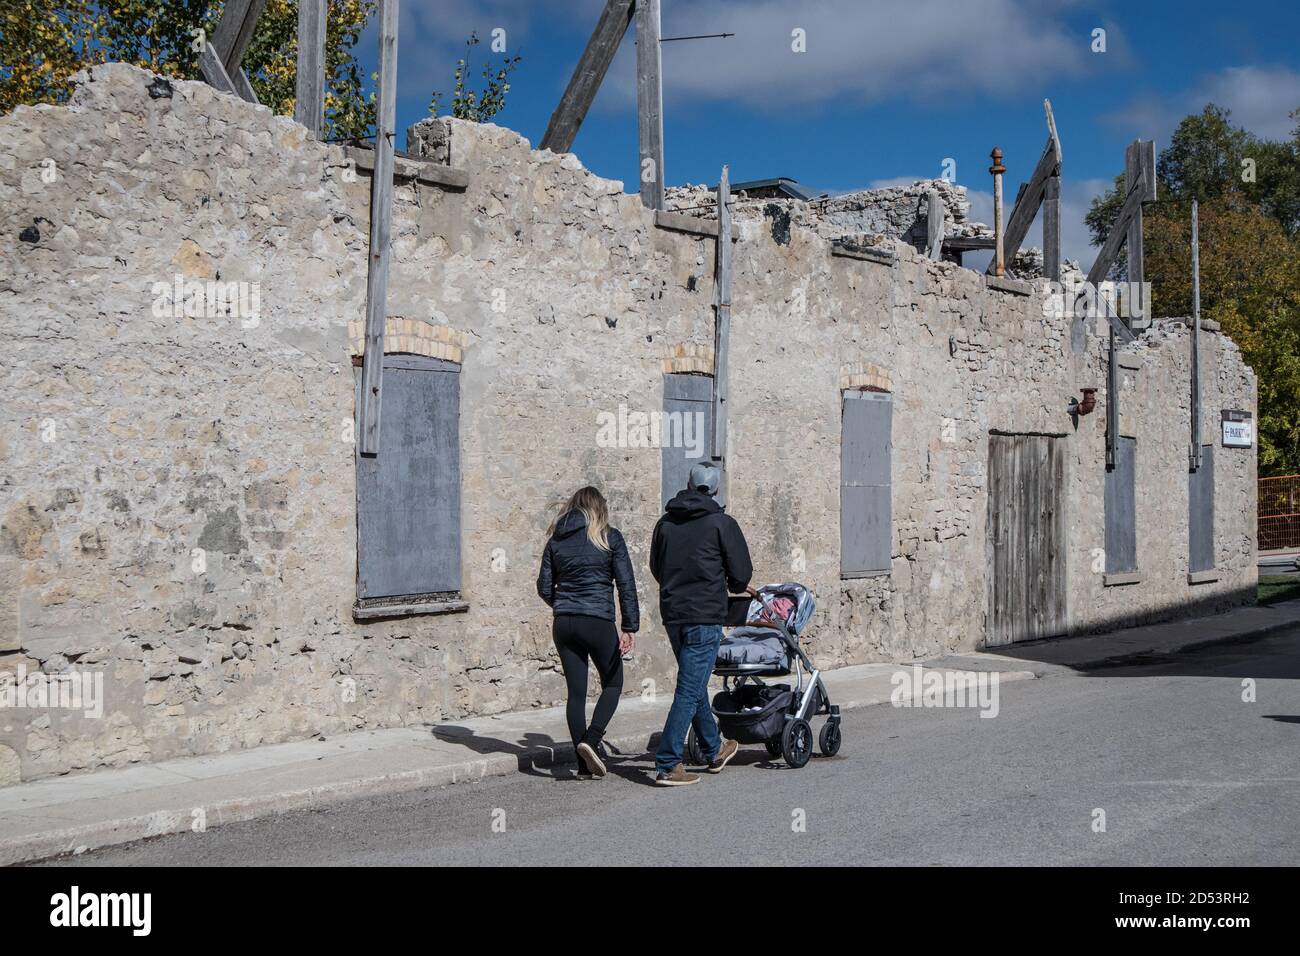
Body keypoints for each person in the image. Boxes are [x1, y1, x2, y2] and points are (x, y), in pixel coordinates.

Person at [649, 461, 753, 786]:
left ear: (689, 485)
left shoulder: (665, 524)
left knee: (692, 687)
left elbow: (657, 568)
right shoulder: (721, 523)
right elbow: (740, 576)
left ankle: (714, 748)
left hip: (673, 615)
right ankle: (668, 762)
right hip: (705, 616)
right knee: (689, 688)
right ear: (716, 489)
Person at [536, 486, 639, 779]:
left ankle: (583, 767)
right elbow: (626, 585)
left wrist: (564, 604)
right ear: (599, 508)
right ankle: (591, 741)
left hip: (564, 623)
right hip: (597, 621)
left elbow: (544, 586)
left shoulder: (556, 538)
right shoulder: (609, 536)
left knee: (576, 694)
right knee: (614, 682)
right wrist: (629, 626)